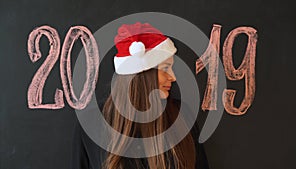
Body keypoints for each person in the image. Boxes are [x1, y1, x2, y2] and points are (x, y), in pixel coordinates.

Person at [71, 22, 209, 169]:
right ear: (143, 74)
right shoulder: (94, 122)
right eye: (165, 68)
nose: (173, 77)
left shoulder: (181, 115)